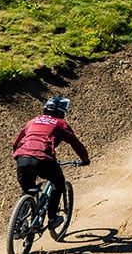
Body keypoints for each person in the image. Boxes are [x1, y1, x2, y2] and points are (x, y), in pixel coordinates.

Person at [12, 97, 91, 230]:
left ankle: (18, 225)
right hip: (43, 159)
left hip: (22, 157)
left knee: (28, 190)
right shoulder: (60, 124)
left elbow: (16, 143)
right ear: (62, 112)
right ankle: (53, 217)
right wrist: (85, 159)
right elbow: (75, 143)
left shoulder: (32, 121)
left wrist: (20, 157)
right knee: (58, 183)